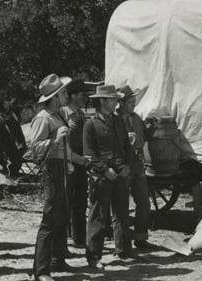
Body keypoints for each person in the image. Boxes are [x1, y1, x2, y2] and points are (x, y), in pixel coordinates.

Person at [30, 74, 89, 281]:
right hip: (52, 171)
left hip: (65, 169)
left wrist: (81, 160)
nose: (66, 95)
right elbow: (35, 149)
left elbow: (66, 149)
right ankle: (41, 271)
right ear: (54, 97)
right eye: (63, 93)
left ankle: (58, 259)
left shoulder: (59, 117)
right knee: (49, 221)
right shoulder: (43, 118)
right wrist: (54, 140)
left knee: (62, 217)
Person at [84, 84, 134, 269]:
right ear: (102, 101)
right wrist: (105, 170)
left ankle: (124, 251)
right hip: (101, 176)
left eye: (115, 99)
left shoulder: (119, 121)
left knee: (122, 213)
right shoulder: (91, 124)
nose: (115, 102)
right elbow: (89, 154)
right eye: (112, 99)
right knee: (98, 216)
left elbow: (127, 146)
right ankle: (94, 257)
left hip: (120, 172)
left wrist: (127, 165)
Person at [116, 84, 158, 249]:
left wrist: (152, 126)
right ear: (122, 102)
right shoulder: (116, 119)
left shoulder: (136, 118)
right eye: (130, 101)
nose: (133, 104)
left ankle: (141, 237)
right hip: (124, 163)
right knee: (122, 204)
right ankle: (123, 242)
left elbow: (145, 136)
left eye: (134, 101)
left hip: (138, 163)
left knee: (143, 201)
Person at [60, 79, 90, 248]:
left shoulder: (80, 114)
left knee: (79, 201)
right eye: (82, 95)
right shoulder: (64, 114)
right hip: (67, 164)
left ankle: (79, 238)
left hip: (80, 163)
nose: (85, 98)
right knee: (66, 201)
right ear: (72, 96)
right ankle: (64, 239)